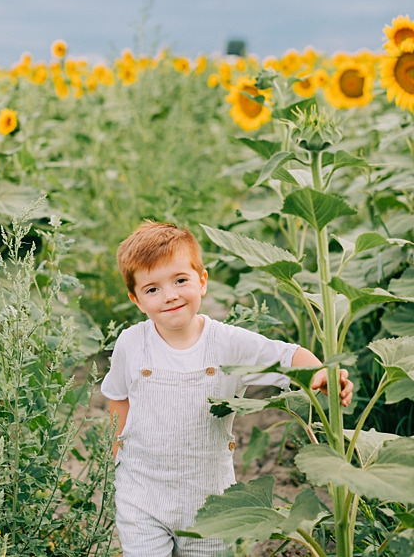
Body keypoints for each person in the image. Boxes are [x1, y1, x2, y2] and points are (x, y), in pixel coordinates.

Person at [101, 221, 353, 557]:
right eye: (152, 289)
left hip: (210, 500)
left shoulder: (227, 342)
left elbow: (286, 355)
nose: (170, 295)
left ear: (202, 281)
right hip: (142, 492)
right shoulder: (132, 343)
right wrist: (117, 450)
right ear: (136, 300)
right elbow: (117, 395)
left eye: (180, 280)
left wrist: (320, 374)